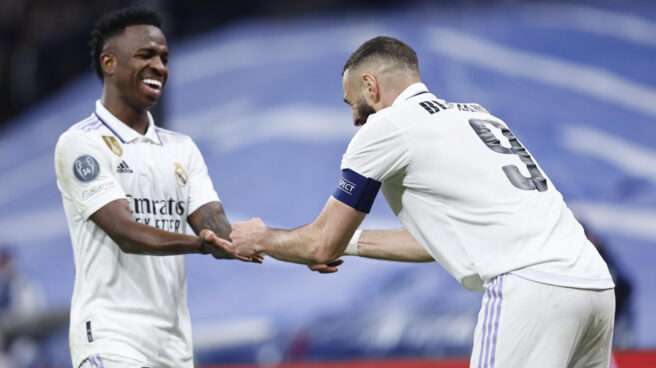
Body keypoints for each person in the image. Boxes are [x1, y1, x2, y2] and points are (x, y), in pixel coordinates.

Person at [230, 36, 616, 367]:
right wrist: (348, 243)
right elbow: (436, 240)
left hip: (531, 287)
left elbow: (320, 243)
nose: (353, 121)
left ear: (370, 86)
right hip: (595, 285)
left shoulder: (388, 126)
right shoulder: (479, 116)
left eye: (351, 103)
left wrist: (260, 238)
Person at [54, 7, 261, 368]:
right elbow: (125, 232)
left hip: (173, 348)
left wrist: (301, 247)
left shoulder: (182, 148)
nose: (160, 66)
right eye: (145, 55)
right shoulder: (80, 144)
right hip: (111, 337)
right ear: (109, 63)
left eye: (164, 57)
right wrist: (199, 244)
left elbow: (219, 231)